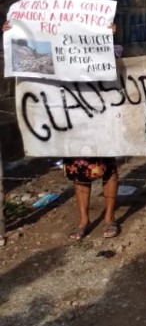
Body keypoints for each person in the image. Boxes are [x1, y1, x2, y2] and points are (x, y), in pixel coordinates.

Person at [2, 19, 122, 241]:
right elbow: (31, 63)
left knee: (107, 167)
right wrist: (13, 35)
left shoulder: (102, 50)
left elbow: (114, 65)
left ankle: (109, 217)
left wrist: (108, 37)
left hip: (99, 116)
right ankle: (84, 219)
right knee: (79, 169)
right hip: (71, 119)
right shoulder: (54, 54)